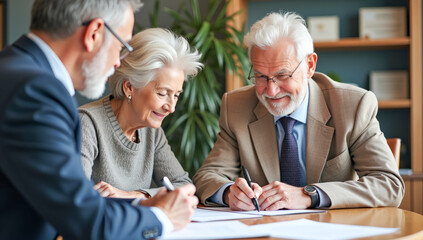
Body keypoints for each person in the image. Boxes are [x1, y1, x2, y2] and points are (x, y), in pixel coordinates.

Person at [0, 0, 198, 239]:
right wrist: (163, 217)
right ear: (93, 33)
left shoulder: (15, 70)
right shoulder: (35, 92)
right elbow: (85, 219)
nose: (118, 62)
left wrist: (139, 203)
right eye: (121, 46)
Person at [193, 12, 404, 211]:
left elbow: (389, 185)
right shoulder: (236, 106)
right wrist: (230, 193)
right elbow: (207, 176)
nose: (271, 90)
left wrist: (308, 195)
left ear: (310, 66)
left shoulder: (353, 105)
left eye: (283, 75)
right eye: (260, 76)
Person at [79, 28, 202, 199]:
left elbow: (183, 185)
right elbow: (76, 198)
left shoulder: (151, 129)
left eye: (176, 95)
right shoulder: (87, 124)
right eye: (162, 93)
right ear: (129, 87)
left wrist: (134, 195)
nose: (171, 107)